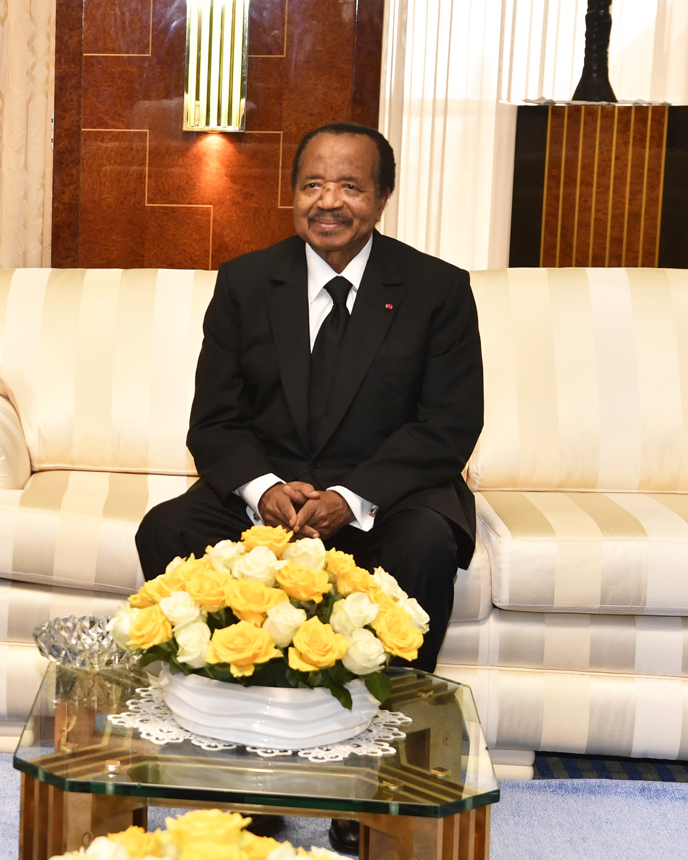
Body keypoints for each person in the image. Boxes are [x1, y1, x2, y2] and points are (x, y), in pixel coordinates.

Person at [135, 122, 483, 853]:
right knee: (167, 529)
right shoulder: (243, 283)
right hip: (274, 491)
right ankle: (241, 769)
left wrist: (352, 498)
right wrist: (262, 490)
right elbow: (215, 421)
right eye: (312, 185)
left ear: (383, 197)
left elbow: (448, 426)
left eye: (350, 186)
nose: (328, 202)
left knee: (423, 541)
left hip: (388, 491)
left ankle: (375, 784)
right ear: (292, 194)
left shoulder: (436, 290)